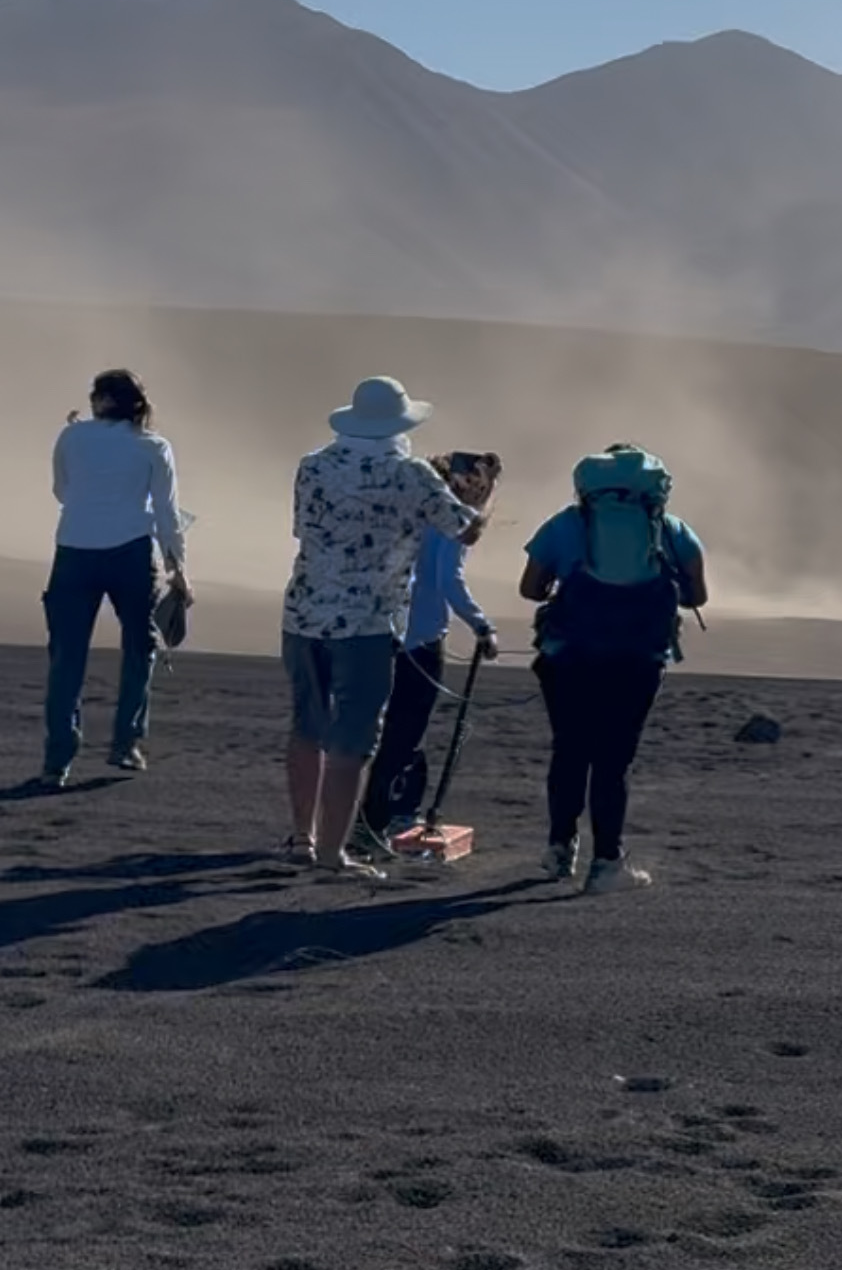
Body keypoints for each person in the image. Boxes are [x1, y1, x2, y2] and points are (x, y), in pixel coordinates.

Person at [281, 377, 484, 880]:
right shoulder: (410, 473)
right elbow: (466, 528)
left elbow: (304, 529)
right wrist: (484, 494)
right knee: (353, 739)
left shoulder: (313, 465)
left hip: (304, 612)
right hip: (367, 621)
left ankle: (302, 838)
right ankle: (331, 853)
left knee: (307, 727)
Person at [519, 443, 706, 893]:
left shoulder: (566, 524)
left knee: (569, 750)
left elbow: (530, 588)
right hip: (639, 659)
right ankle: (606, 863)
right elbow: (697, 596)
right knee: (613, 760)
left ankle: (559, 848)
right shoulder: (673, 530)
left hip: (568, 656)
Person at [40, 369, 192, 787]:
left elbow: (61, 490)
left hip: (74, 548)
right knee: (139, 647)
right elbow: (167, 512)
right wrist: (179, 568)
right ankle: (125, 742)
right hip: (131, 551)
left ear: (102, 400)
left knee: (67, 656)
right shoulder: (153, 446)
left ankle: (57, 759)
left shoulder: (71, 437)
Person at [356, 451, 502, 850]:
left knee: (381, 728)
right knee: (405, 730)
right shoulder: (448, 519)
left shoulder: (398, 507)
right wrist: (481, 625)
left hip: (377, 629)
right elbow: (447, 579)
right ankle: (374, 821)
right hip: (420, 638)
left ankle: (380, 814)